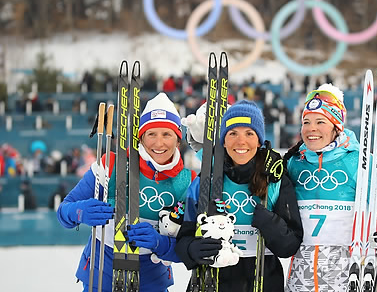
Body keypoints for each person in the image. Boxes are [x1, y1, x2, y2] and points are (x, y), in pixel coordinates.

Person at [57, 93, 197, 292]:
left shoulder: (188, 181)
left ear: (178, 140)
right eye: (151, 134)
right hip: (100, 276)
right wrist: (79, 211)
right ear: (141, 137)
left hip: (152, 282)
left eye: (167, 134)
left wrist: (160, 243)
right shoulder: (111, 165)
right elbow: (63, 212)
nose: (159, 143)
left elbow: (189, 248)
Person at [283, 83, 377, 292]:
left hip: (347, 277)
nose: (311, 129)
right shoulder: (293, 163)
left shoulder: (359, 162)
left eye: (320, 121)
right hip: (300, 278)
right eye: (305, 122)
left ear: (337, 125)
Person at [176, 100, 303, 292]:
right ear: (224, 140)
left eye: (249, 133)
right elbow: (183, 237)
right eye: (233, 133)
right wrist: (191, 249)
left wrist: (270, 223)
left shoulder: (276, 180)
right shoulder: (206, 181)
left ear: (259, 140)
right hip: (211, 283)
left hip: (263, 282)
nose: (241, 141)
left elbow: (289, 245)